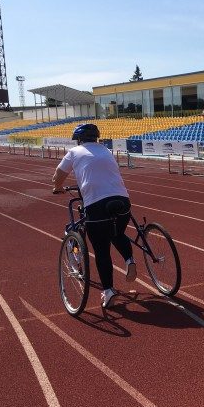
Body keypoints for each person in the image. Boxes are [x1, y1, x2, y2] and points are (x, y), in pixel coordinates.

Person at [52, 123, 136, 308]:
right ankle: (130, 259)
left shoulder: (74, 152)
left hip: (96, 203)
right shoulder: (105, 150)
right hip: (122, 200)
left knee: (101, 250)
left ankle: (108, 291)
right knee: (117, 233)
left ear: (79, 140)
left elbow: (59, 174)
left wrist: (57, 187)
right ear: (96, 138)